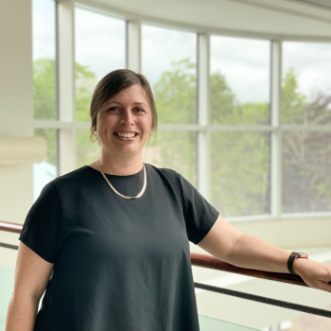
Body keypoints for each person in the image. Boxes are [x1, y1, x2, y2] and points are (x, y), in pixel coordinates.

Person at [6, 69, 331, 331]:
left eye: (138, 110)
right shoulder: (61, 196)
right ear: (95, 123)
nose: (127, 120)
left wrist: (295, 262)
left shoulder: (172, 186)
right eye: (113, 109)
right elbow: (25, 294)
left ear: (152, 123)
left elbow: (232, 244)